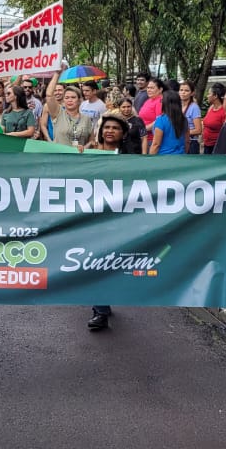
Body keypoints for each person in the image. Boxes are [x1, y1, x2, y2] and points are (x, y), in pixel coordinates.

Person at [87, 112, 139, 330]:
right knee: (95, 262)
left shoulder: (130, 160)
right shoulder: (89, 154)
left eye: (115, 128)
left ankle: (103, 305)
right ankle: (100, 310)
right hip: (92, 218)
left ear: (123, 134)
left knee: (110, 264)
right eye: (106, 127)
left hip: (119, 219)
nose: (109, 131)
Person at [50, 85, 97, 149]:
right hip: (60, 156)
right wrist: (56, 75)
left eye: (73, 97)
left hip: (79, 157)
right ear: (63, 100)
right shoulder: (58, 114)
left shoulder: (86, 119)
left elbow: (91, 141)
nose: (70, 100)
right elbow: (49, 96)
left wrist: (84, 147)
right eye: (67, 98)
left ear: (79, 100)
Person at [147, 89, 188, 155]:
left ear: (165, 103)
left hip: (164, 158)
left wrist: (150, 159)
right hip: (181, 156)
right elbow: (187, 141)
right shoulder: (184, 119)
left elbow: (156, 144)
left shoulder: (161, 120)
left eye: (161, 101)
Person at [202, 83, 226, 154]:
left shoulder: (224, 111)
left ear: (215, 96)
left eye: (209, 94)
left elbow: (225, 131)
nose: (207, 96)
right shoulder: (211, 108)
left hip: (216, 147)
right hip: (207, 145)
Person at [180, 80, 204, 154]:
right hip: (180, 142)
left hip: (191, 143)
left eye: (186, 90)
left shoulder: (194, 107)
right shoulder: (179, 106)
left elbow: (198, 130)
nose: (183, 92)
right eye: (181, 90)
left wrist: (181, 133)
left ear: (192, 93)